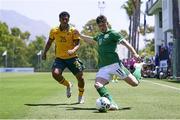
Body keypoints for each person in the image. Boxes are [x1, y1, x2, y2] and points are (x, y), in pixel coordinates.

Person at [78, 15, 142, 110]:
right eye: (100, 26)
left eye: (103, 25)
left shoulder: (113, 33)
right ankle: (112, 103)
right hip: (103, 68)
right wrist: (80, 35)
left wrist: (135, 54)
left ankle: (138, 67)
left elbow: (125, 43)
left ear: (107, 23)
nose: (102, 27)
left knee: (135, 83)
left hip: (115, 66)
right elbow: (91, 40)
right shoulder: (99, 36)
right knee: (97, 85)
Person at [42, 11, 85, 104]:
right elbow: (49, 42)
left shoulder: (73, 31)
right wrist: (44, 52)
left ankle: (81, 95)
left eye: (66, 19)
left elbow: (78, 44)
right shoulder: (54, 31)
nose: (65, 21)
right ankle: (68, 84)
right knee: (55, 73)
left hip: (72, 57)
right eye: (63, 19)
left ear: (68, 19)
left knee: (80, 77)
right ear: (59, 20)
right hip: (60, 58)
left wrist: (73, 50)